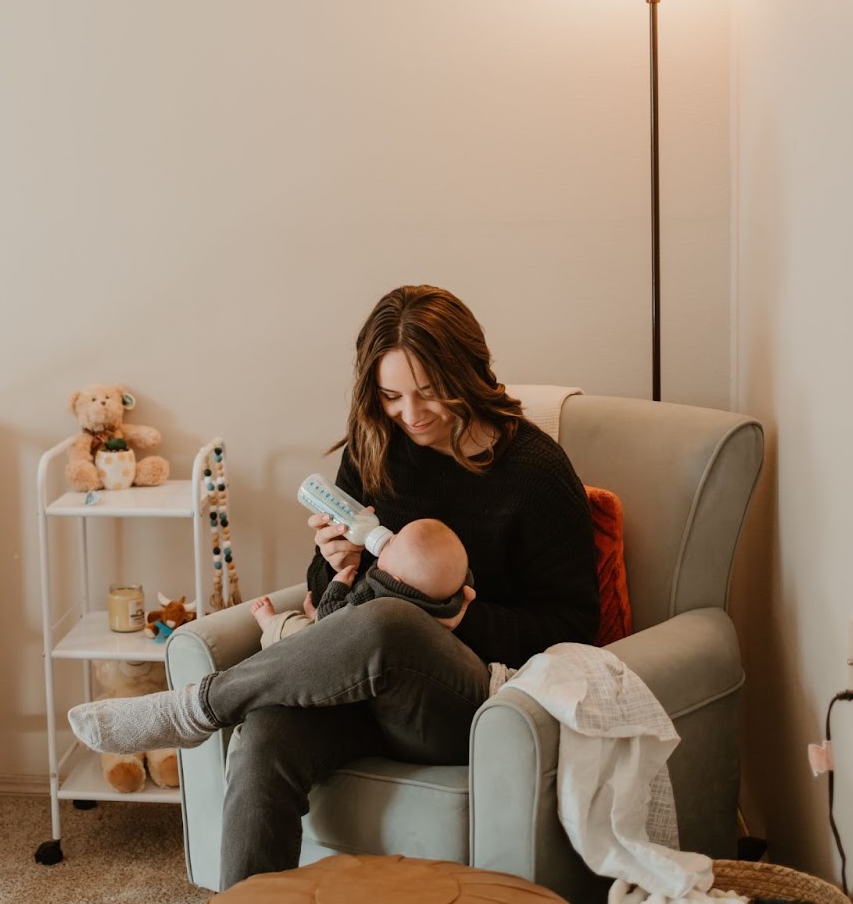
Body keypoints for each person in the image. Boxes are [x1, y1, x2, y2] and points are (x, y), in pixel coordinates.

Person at [68, 284, 599, 887]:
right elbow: (324, 591)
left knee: (392, 620)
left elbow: (578, 631)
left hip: (467, 701)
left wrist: (460, 620)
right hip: (362, 686)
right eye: (392, 395)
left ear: (470, 372)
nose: (411, 413)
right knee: (266, 734)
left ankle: (198, 706)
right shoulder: (378, 446)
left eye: (429, 392)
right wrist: (333, 561)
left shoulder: (535, 472)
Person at [249, 517, 471, 648]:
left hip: (341, 646)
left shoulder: (379, 595)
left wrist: (338, 584)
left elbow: (331, 620)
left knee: (300, 635)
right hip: (361, 647)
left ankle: (272, 624)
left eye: (393, 542)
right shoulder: (441, 599)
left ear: (395, 581)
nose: (389, 537)